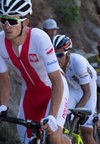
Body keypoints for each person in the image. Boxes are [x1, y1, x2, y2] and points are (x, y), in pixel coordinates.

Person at [0, 0, 71, 144]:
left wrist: (52, 116)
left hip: (54, 88)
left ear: (25, 22)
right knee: (27, 140)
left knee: (54, 137)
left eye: (12, 21)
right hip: (30, 93)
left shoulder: (39, 38)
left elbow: (57, 80)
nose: (7, 26)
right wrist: (3, 105)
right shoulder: (0, 42)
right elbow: (3, 77)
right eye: (3, 20)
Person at [52, 34, 97, 144]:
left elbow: (87, 93)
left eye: (59, 55)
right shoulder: (52, 63)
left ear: (68, 53)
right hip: (72, 88)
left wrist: (75, 114)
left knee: (86, 131)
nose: (56, 58)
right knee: (60, 124)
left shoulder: (78, 62)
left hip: (88, 88)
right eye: (53, 55)